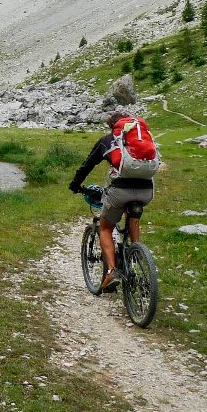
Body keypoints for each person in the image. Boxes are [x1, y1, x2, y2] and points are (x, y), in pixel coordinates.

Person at [69, 110, 155, 292]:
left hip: (120, 191)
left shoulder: (108, 140)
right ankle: (136, 253)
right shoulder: (140, 138)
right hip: (146, 191)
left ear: (113, 127)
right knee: (132, 214)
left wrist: (75, 185)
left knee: (105, 227)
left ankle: (111, 270)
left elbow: (87, 165)